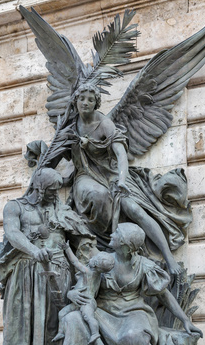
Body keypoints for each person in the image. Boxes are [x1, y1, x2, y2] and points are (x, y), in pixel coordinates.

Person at [66, 83, 192, 276]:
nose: (85, 103)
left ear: (96, 103)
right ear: (75, 100)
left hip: (112, 174)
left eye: (91, 100)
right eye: (82, 99)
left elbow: (121, 154)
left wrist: (122, 180)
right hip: (86, 175)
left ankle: (168, 257)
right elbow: (58, 153)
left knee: (135, 210)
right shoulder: (69, 124)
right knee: (97, 196)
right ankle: (104, 247)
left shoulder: (104, 123)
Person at [59, 223, 203, 345]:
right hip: (103, 310)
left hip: (133, 311)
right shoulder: (102, 260)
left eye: (117, 234)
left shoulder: (144, 265)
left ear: (126, 246)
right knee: (73, 319)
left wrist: (185, 320)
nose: (111, 235)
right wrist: (72, 294)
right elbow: (85, 286)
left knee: (133, 336)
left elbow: (164, 295)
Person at [0, 167, 94, 345]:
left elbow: (84, 240)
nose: (56, 195)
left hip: (56, 274)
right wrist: (33, 250)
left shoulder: (61, 210)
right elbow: (12, 233)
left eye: (57, 190)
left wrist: (86, 271)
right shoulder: (14, 206)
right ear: (39, 188)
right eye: (51, 191)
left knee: (50, 323)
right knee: (23, 325)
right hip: (24, 275)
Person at [53, 243, 115, 344]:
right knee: (62, 313)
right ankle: (61, 332)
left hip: (87, 301)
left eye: (93, 259)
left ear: (95, 264)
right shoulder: (98, 274)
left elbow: (75, 262)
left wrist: (67, 248)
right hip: (78, 302)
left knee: (88, 317)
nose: (90, 259)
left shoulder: (88, 272)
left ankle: (95, 333)